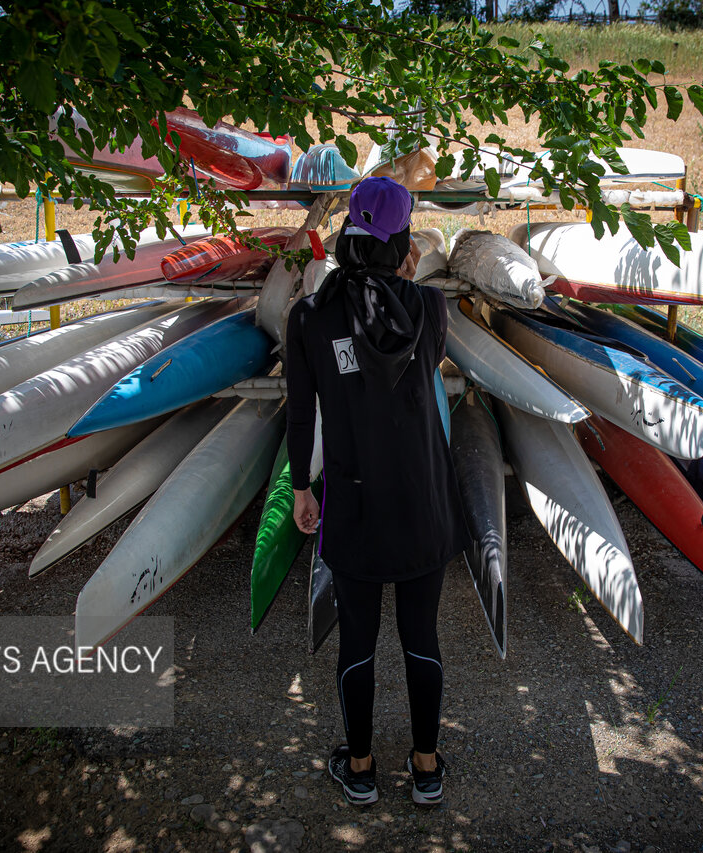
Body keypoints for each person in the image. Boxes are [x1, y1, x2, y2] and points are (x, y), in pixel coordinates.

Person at [284, 176, 471, 807]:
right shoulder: (431, 309)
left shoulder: (309, 316)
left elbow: (300, 412)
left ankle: (360, 769)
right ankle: (425, 769)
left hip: (355, 505)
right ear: (401, 243)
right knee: (422, 636)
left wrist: (302, 490)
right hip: (423, 503)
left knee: (357, 640)